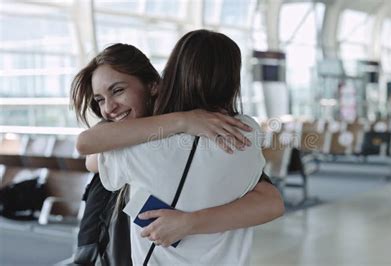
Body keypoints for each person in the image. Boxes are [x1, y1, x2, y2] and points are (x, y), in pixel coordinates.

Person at [72, 34, 283, 264]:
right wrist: (183, 120)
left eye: (118, 90)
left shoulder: (144, 149)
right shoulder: (242, 130)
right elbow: (89, 147)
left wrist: (189, 222)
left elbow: (270, 200)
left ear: (155, 85)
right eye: (100, 100)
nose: (109, 108)